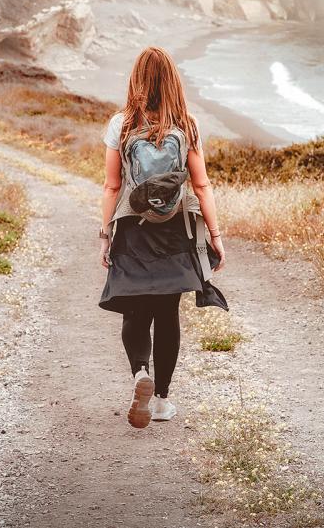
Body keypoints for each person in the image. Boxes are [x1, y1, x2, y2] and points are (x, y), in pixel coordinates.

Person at [98, 45, 228, 429]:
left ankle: (140, 373)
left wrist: (105, 237)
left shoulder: (120, 124)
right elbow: (202, 186)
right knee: (167, 314)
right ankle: (161, 401)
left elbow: (110, 185)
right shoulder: (187, 125)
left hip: (133, 230)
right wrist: (215, 237)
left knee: (135, 309)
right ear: (173, 80)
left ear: (136, 79)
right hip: (176, 231)